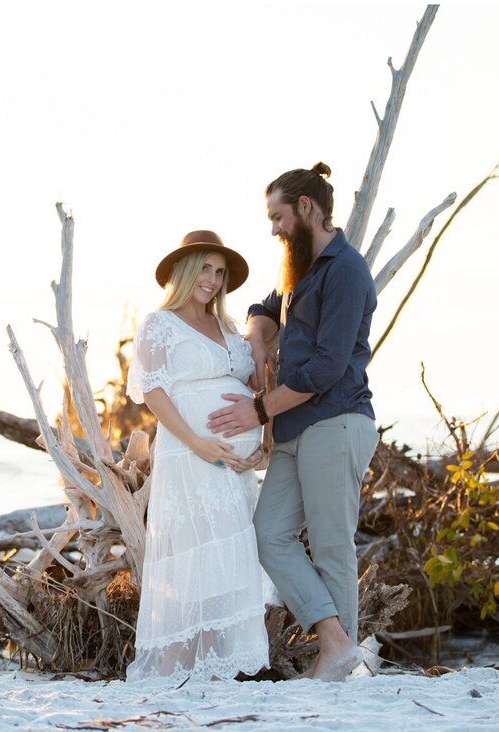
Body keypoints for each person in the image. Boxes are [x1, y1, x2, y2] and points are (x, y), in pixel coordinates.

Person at [207, 163, 378, 682]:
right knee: (268, 535)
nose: (273, 229)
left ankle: (338, 664)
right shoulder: (299, 269)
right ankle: (336, 643)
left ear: (306, 208)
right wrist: (260, 337)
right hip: (296, 428)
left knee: (331, 546)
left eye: (278, 216)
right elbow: (265, 305)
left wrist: (257, 410)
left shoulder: (346, 270)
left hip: (336, 421)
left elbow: (327, 368)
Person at [124, 230, 271, 684]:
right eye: (205, 268)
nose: (212, 279)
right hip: (190, 457)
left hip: (233, 466)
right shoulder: (159, 324)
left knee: (231, 555)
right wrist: (197, 442)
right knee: (193, 557)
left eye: (220, 272)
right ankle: (178, 666)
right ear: (184, 270)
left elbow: (253, 390)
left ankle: (228, 665)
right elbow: (153, 392)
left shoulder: (228, 328)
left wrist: (261, 444)